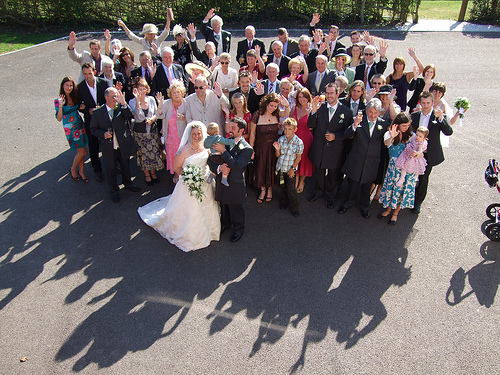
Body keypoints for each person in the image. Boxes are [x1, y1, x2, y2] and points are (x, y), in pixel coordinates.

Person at [138, 121, 220, 251]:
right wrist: (189, 177)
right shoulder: (183, 150)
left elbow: (210, 162)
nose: (197, 136)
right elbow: (177, 167)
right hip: (189, 183)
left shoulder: (206, 146)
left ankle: (209, 229)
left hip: (205, 182)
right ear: (189, 134)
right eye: (194, 134)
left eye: (199, 133)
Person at [338, 98, 389, 218]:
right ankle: (348, 203)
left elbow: (384, 144)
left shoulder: (384, 125)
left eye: (376, 113)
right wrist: (355, 125)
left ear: (379, 112)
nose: (373, 115)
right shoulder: (359, 120)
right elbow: (347, 135)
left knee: (367, 187)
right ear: (366, 110)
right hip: (357, 159)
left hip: (372, 161)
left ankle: (365, 206)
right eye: (371, 112)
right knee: (353, 184)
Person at [307, 83, 353, 208]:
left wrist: (336, 136)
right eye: (327, 93)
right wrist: (313, 110)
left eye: (332, 93)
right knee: (319, 172)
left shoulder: (346, 112)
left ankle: (331, 195)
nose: (329, 95)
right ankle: (318, 191)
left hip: (335, 149)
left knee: (333, 174)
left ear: (337, 94)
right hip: (320, 146)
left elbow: (349, 132)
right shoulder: (320, 107)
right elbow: (310, 125)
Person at [90, 87, 139, 203]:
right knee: (110, 170)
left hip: (122, 144)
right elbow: (92, 129)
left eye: (117, 96)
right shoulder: (98, 113)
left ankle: (128, 183)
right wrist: (103, 134)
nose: (116, 99)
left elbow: (130, 116)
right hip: (108, 147)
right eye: (114, 97)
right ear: (106, 98)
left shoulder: (121, 107)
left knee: (125, 166)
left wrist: (123, 103)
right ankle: (114, 191)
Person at [209, 117, 253, 242]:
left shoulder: (247, 149)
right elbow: (210, 160)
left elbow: (237, 165)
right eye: (230, 127)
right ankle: (225, 224)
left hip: (235, 184)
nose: (230, 130)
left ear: (241, 130)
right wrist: (219, 168)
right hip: (222, 183)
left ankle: (239, 229)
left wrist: (223, 151)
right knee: (223, 205)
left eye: (233, 128)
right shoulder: (225, 141)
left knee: (236, 208)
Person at [411, 91, 452, 214]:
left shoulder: (437, 116)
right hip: (414, 151)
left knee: (424, 178)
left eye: (428, 103)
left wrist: (441, 119)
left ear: (433, 103)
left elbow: (449, 132)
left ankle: (418, 202)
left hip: (428, 153)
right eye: (423, 103)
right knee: (411, 175)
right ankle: (408, 198)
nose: (426, 105)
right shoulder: (415, 116)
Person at [378, 112, 416, 225]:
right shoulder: (389, 133)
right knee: (391, 190)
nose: (406, 128)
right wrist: (392, 136)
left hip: (406, 170)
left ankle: (395, 213)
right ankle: (389, 210)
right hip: (393, 169)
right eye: (404, 125)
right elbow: (386, 143)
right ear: (398, 124)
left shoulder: (412, 136)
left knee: (401, 192)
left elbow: (420, 150)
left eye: (408, 125)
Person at [249, 93, 288, 203]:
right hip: (261, 146)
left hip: (273, 147)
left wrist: (286, 105)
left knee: (271, 168)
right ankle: (262, 190)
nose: (273, 108)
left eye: (275, 106)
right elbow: (252, 133)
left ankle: (270, 189)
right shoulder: (257, 114)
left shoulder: (277, 114)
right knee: (261, 167)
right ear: (266, 103)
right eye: (271, 105)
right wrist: (251, 149)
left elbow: (286, 112)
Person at [77, 62, 112, 182]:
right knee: (93, 145)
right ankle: (97, 169)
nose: (88, 76)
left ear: (94, 72)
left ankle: (113, 165)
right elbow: (79, 106)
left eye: (90, 73)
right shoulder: (80, 87)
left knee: (109, 143)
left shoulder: (104, 83)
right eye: (85, 74)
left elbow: (109, 101)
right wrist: (89, 110)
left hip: (104, 119)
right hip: (90, 121)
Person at [129, 78, 164, 186]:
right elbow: (138, 118)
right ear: (136, 90)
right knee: (143, 155)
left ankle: (153, 173)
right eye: (140, 89)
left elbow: (155, 114)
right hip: (140, 134)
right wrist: (138, 102)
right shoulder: (132, 102)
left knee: (153, 153)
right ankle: (147, 175)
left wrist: (153, 119)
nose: (142, 91)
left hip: (152, 132)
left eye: (144, 88)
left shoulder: (151, 99)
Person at [55, 77, 88, 182]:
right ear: (62, 86)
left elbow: (80, 106)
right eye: (66, 85)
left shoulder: (75, 96)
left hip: (79, 125)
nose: (69, 87)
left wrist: (83, 106)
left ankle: (82, 172)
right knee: (82, 152)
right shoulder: (58, 101)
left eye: (71, 85)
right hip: (71, 129)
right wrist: (60, 106)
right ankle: (73, 169)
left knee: (82, 150)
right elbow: (59, 118)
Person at [156, 79, 187, 181]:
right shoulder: (166, 103)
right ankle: (177, 174)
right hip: (170, 136)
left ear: (182, 92)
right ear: (170, 94)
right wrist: (160, 105)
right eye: (173, 93)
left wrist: (184, 118)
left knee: (182, 155)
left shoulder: (186, 103)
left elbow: (191, 118)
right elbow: (159, 116)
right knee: (173, 155)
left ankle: (183, 173)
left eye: (178, 92)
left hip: (182, 136)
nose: (176, 94)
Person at [273, 118, 303, 217]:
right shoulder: (281, 139)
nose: (287, 131)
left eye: (290, 129)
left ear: (295, 130)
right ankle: (283, 201)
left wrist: (292, 169)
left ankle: (294, 207)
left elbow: (298, 158)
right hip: (281, 169)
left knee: (291, 189)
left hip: (290, 170)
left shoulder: (298, 142)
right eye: (285, 129)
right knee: (281, 186)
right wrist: (277, 149)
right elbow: (277, 155)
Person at [290, 87, 314, 193]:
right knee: (295, 159)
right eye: (299, 97)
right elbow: (289, 122)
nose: (301, 99)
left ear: (308, 97)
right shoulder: (294, 108)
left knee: (304, 160)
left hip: (306, 139)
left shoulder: (312, 109)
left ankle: (302, 181)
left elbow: (312, 127)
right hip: (294, 139)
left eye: (304, 96)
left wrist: (310, 113)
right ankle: (296, 178)